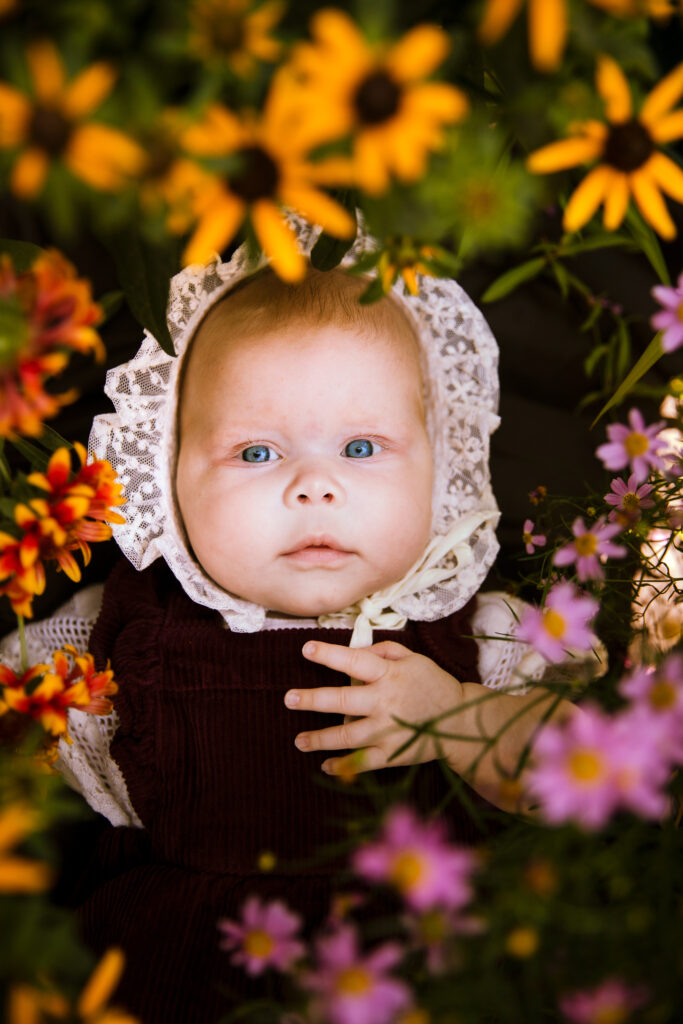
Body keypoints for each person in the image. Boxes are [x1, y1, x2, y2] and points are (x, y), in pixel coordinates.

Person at [0, 217, 594, 1023]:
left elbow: (582, 774)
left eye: (360, 448)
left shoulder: (476, 633)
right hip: (174, 969)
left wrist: (452, 714)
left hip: (418, 964)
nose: (314, 487)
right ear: (166, 478)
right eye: (254, 453)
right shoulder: (121, 632)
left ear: (441, 466)